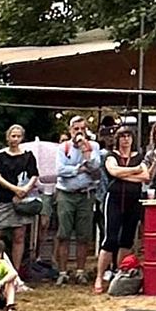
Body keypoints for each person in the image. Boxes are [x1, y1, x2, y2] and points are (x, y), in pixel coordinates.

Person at [95, 127, 149, 293]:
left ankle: (120, 273)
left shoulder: (139, 156)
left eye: (128, 136)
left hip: (134, 200)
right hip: (114, 199)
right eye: (122, 136)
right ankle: (99, 276)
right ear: (117, 139)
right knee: (110, 239)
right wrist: (134, 171)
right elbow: (113, 171)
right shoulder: (111, 156)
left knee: (126, 239)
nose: (126, 139)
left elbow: (146, 176)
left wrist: (123, 174)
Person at [0, 124, 40, 268]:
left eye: (18, 136)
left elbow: (34, 175)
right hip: (4, 198)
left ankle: (15, 273)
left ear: (22, 138)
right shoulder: (0, 157)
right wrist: (15, 189)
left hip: (22, 201)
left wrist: (25, 189)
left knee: (19, 236)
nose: (15, 139)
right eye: (13, 136)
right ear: (7, 137)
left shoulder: (28, 156)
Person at [55, 117, 102, 282]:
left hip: (86, 194)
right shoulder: (63, 148)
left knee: (84, 235)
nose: (79, 132)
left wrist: (85, 152)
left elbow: (95, 167)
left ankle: (80, 271)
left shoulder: (93, 146)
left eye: (82, 128)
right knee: (64, 234)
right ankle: (62, 272)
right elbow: (60, 169)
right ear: (70, 131)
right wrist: (78, 169)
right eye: (76, 129)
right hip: (66, 194)